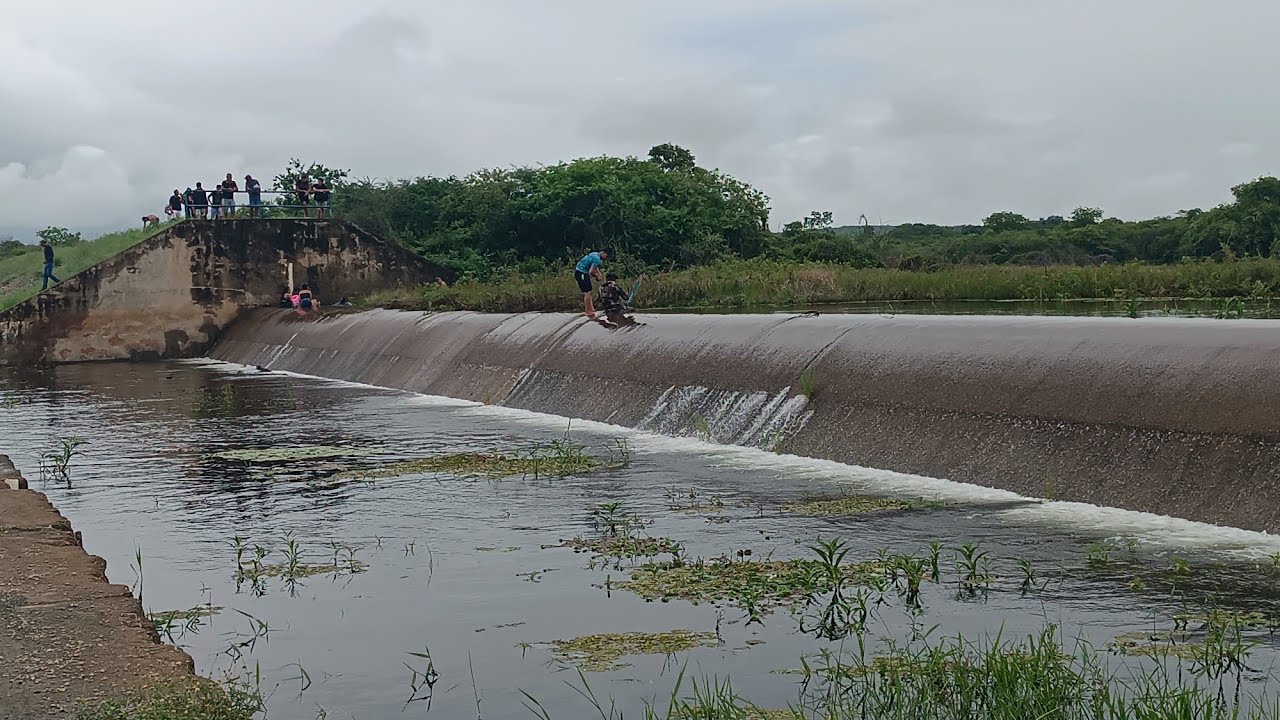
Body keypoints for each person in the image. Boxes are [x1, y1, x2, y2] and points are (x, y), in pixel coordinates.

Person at [573, 249, 609, 318]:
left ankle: (591, 309)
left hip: (582, 272)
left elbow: (595, 267)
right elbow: (591, 272)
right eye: (606, 256)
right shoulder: (597, 259)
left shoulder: (595, 254)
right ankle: (587, 311)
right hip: (581, 273)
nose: (605, 258)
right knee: (587, 292)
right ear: (603, 253)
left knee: (589, 291)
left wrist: (599, 274)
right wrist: (597, 276)